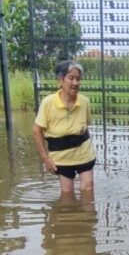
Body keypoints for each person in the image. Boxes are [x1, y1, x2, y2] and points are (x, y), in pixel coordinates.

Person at [33, 60, 96, 195]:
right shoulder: (48, 103)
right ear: (60, 80)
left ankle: (89, 216)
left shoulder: (84, 102)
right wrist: (46, 159)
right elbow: (37, 130)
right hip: (61, 157)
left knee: (88, 189)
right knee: (67, 195)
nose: (75, 83)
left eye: (78, 79)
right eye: (71, 78)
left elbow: (86, 126)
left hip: (84, 154)